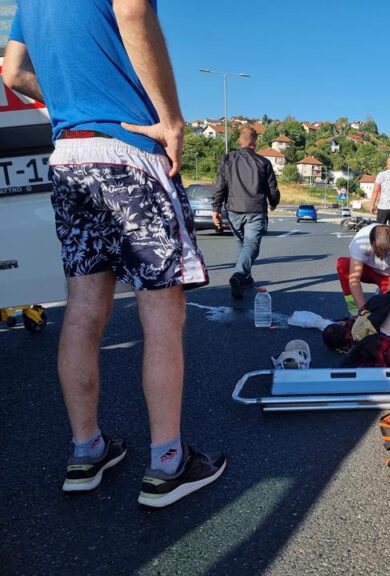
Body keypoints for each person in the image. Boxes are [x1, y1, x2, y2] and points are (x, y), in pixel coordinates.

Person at [4, 0, 225, 507]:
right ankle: (168, 462)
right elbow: (132, 11)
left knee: (83, 308)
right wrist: (170, 120)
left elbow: (14, 73)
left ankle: (87, 450)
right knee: (162, 311)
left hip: (68, 156)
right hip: (128, 150)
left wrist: (71, 97)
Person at [211, 126, 280, 299]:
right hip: (255, 210)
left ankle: (245, 278)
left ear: (239, 141)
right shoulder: (263, 162)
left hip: (233, 209)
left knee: (242, 244)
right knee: (251, 245)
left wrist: (216, 209)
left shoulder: (227, 159)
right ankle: (239, 275)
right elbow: (272, 189)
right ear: (255, 142)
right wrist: (273, 203)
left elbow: (220, 186)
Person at [336, 224, 390, 315]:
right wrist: (363, 311)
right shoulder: (360, 242)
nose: (382, 257)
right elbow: (354, 280)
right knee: (343, 265)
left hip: (388, 276)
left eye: (387, 252)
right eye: (378, 253)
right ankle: (354, 310)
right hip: (367, 268)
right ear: (370, 243)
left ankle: (381, 292)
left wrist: (386, 306)